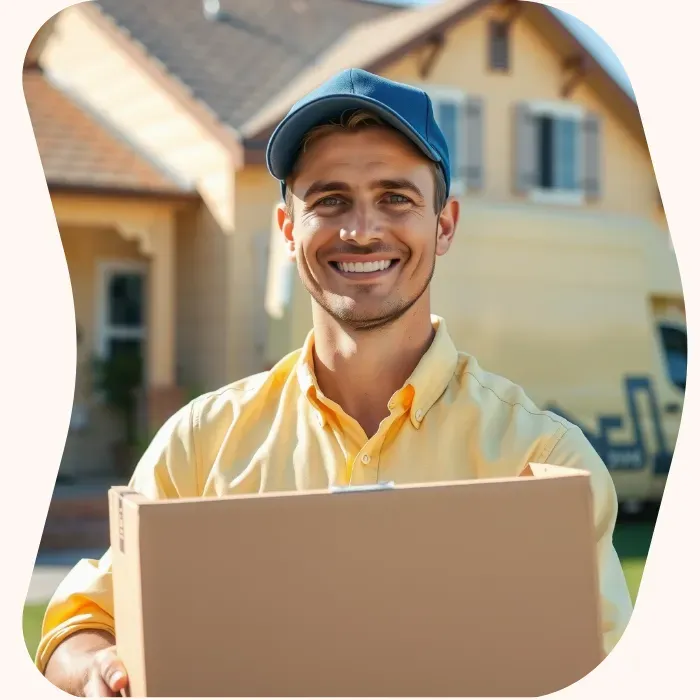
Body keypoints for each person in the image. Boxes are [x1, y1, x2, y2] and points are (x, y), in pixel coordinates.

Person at [37, 68, 633, 696]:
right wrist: (98, 668)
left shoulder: (543, 464)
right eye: (330, 201)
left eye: (396, 197)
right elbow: (80, 625)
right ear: (289, 231)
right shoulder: (200, 444)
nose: (362, 230)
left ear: (445, 224)